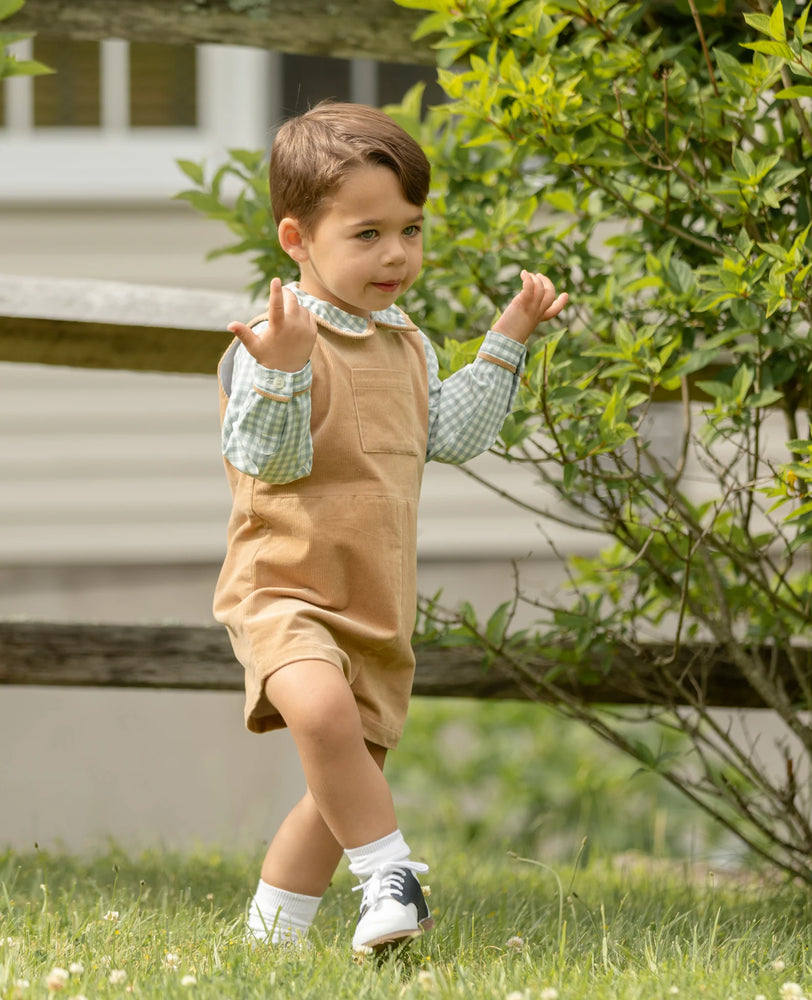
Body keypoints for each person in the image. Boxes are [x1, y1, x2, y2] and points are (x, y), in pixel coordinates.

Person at [212, 100, 568, 956]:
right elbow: (266, 457)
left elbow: (452, 434)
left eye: (410, 230)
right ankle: (394, 877)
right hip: (285, 589)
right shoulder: (270, 342)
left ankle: (270, 941)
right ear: (297, 240)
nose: (397, 255)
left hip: (376, 602)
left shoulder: (407, 344)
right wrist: (287, 373)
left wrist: (508, 337)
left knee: (342, 788)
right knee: (325, 720)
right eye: (366, 234)